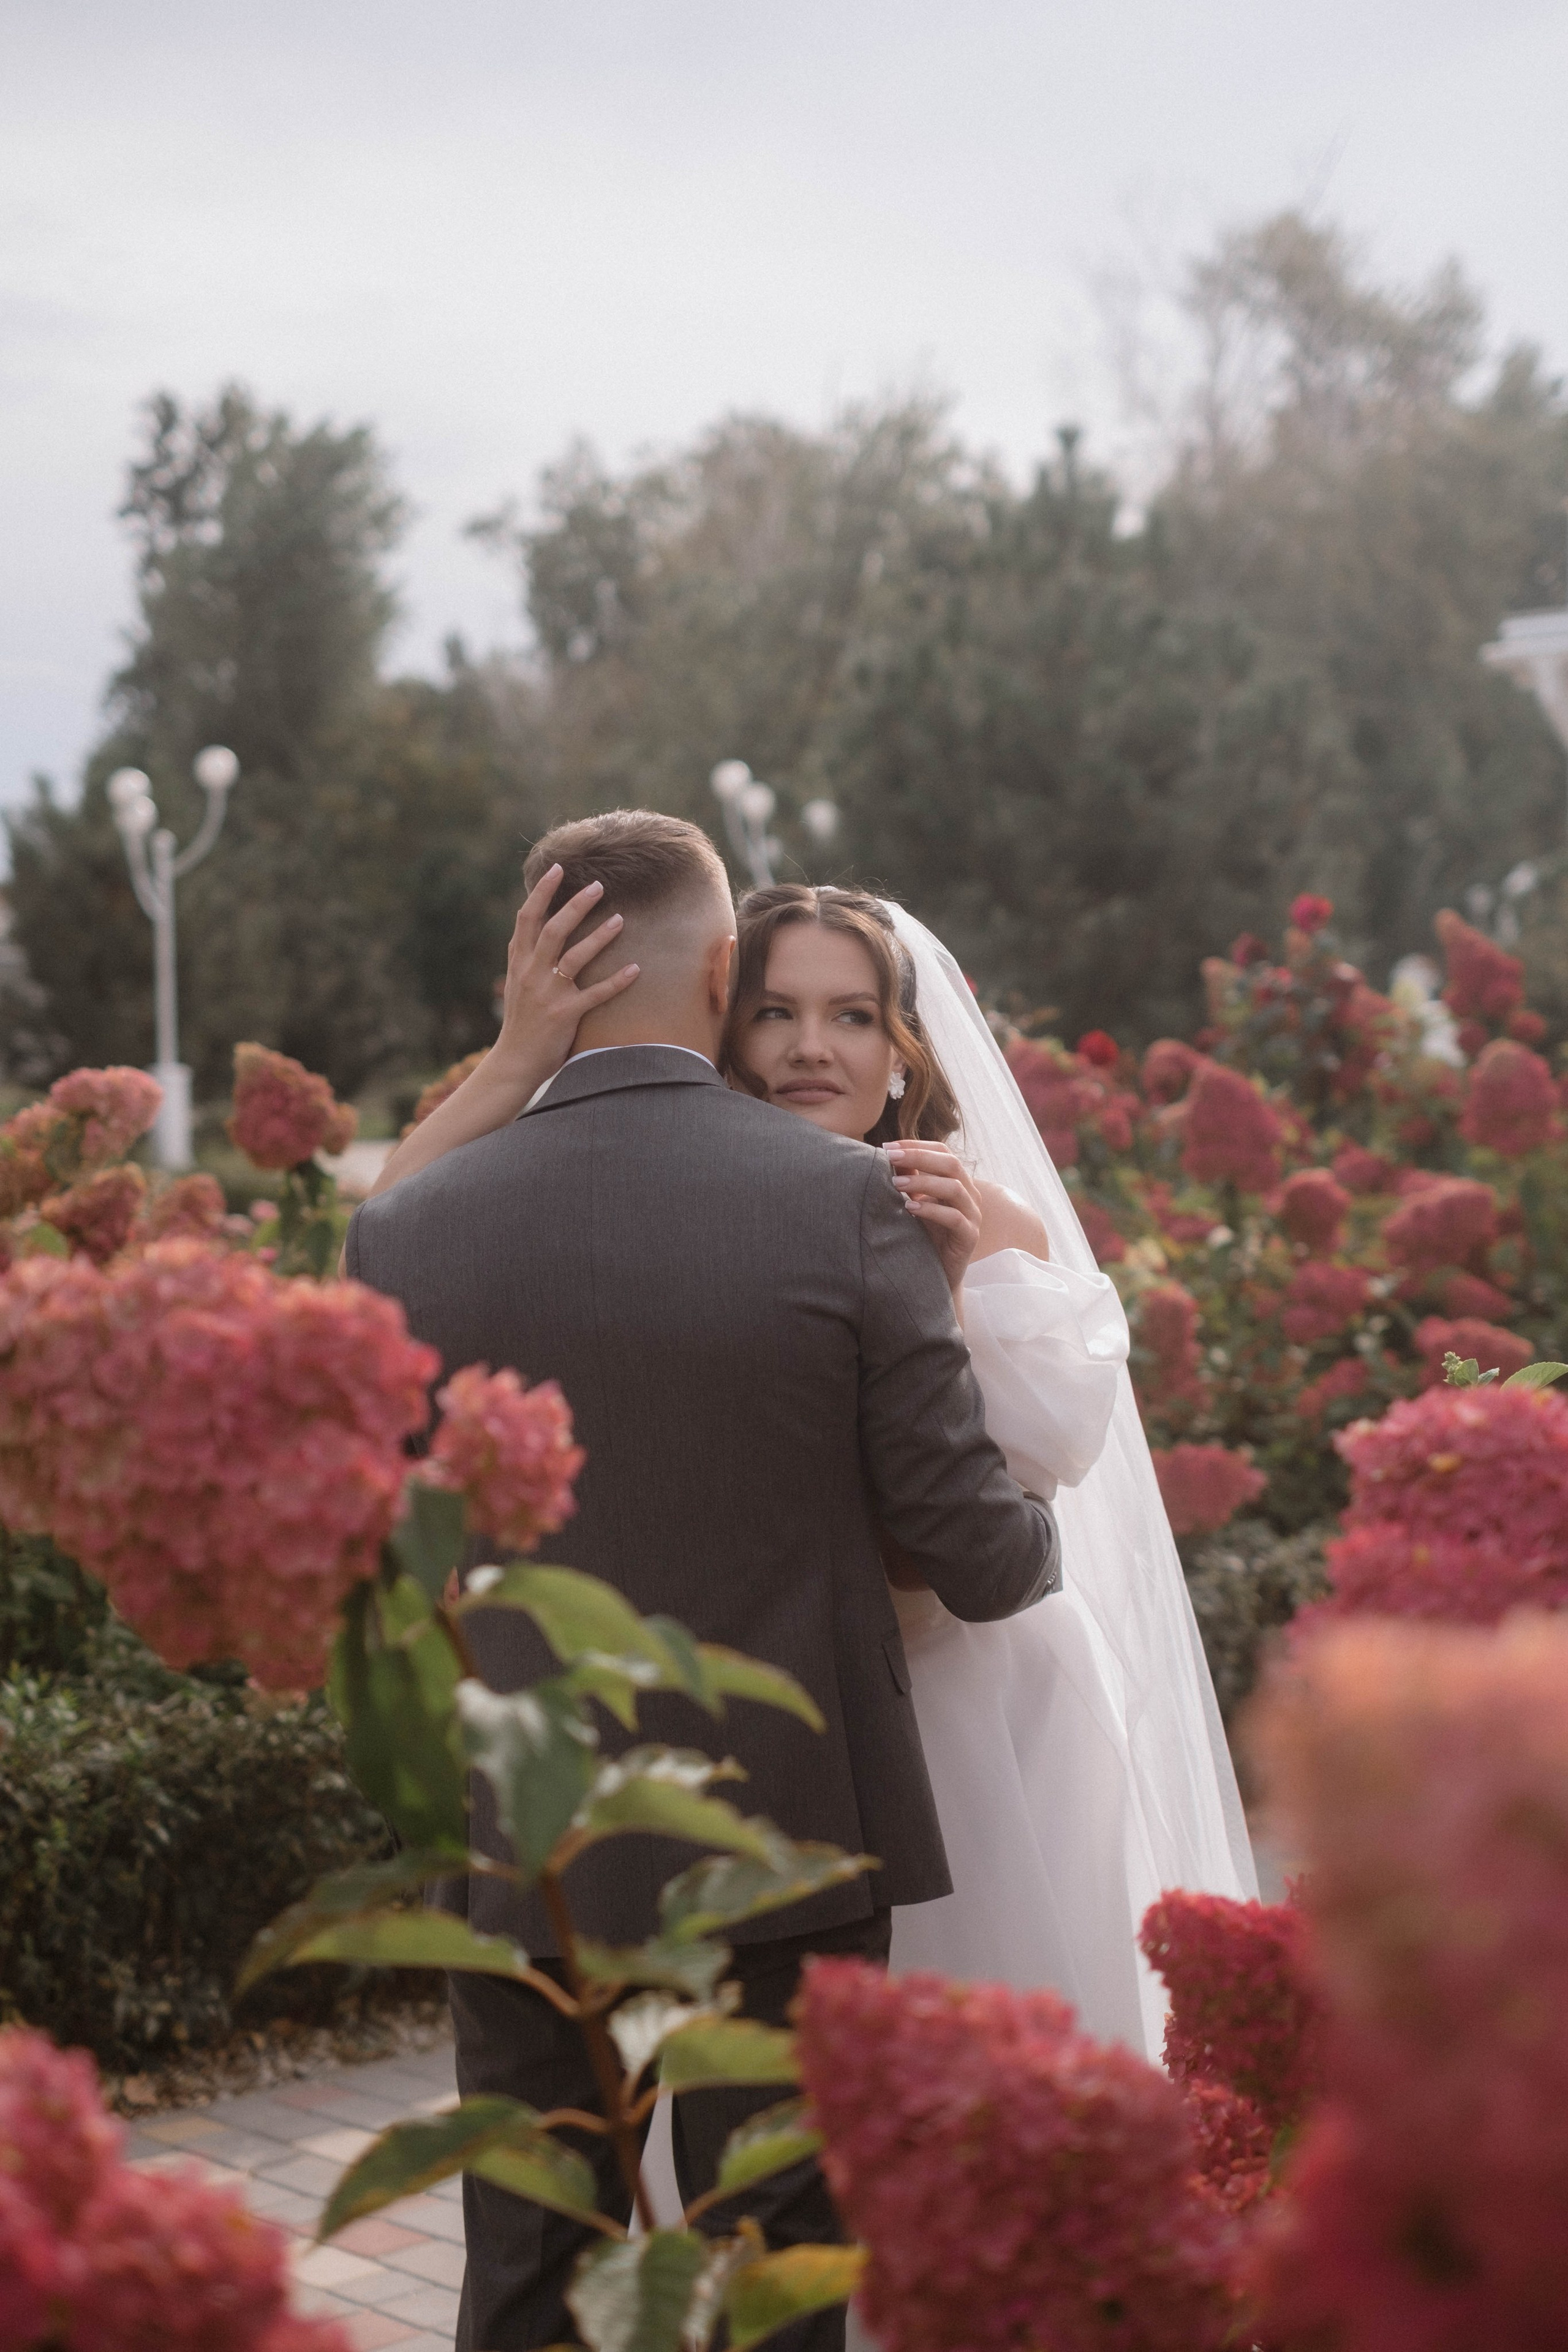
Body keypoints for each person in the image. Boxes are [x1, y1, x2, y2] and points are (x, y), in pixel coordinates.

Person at [346, 812, 1058, 2352]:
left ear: (541, 976)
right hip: (789, 1833)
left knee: (531, 2267)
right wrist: (1044, 1516)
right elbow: (976, 1558)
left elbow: (365, 1275)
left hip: (536, 1844)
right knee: (770, 2263)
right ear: (726, 970)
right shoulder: (843, 1199)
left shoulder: (419, 1223)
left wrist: (501, 1064)